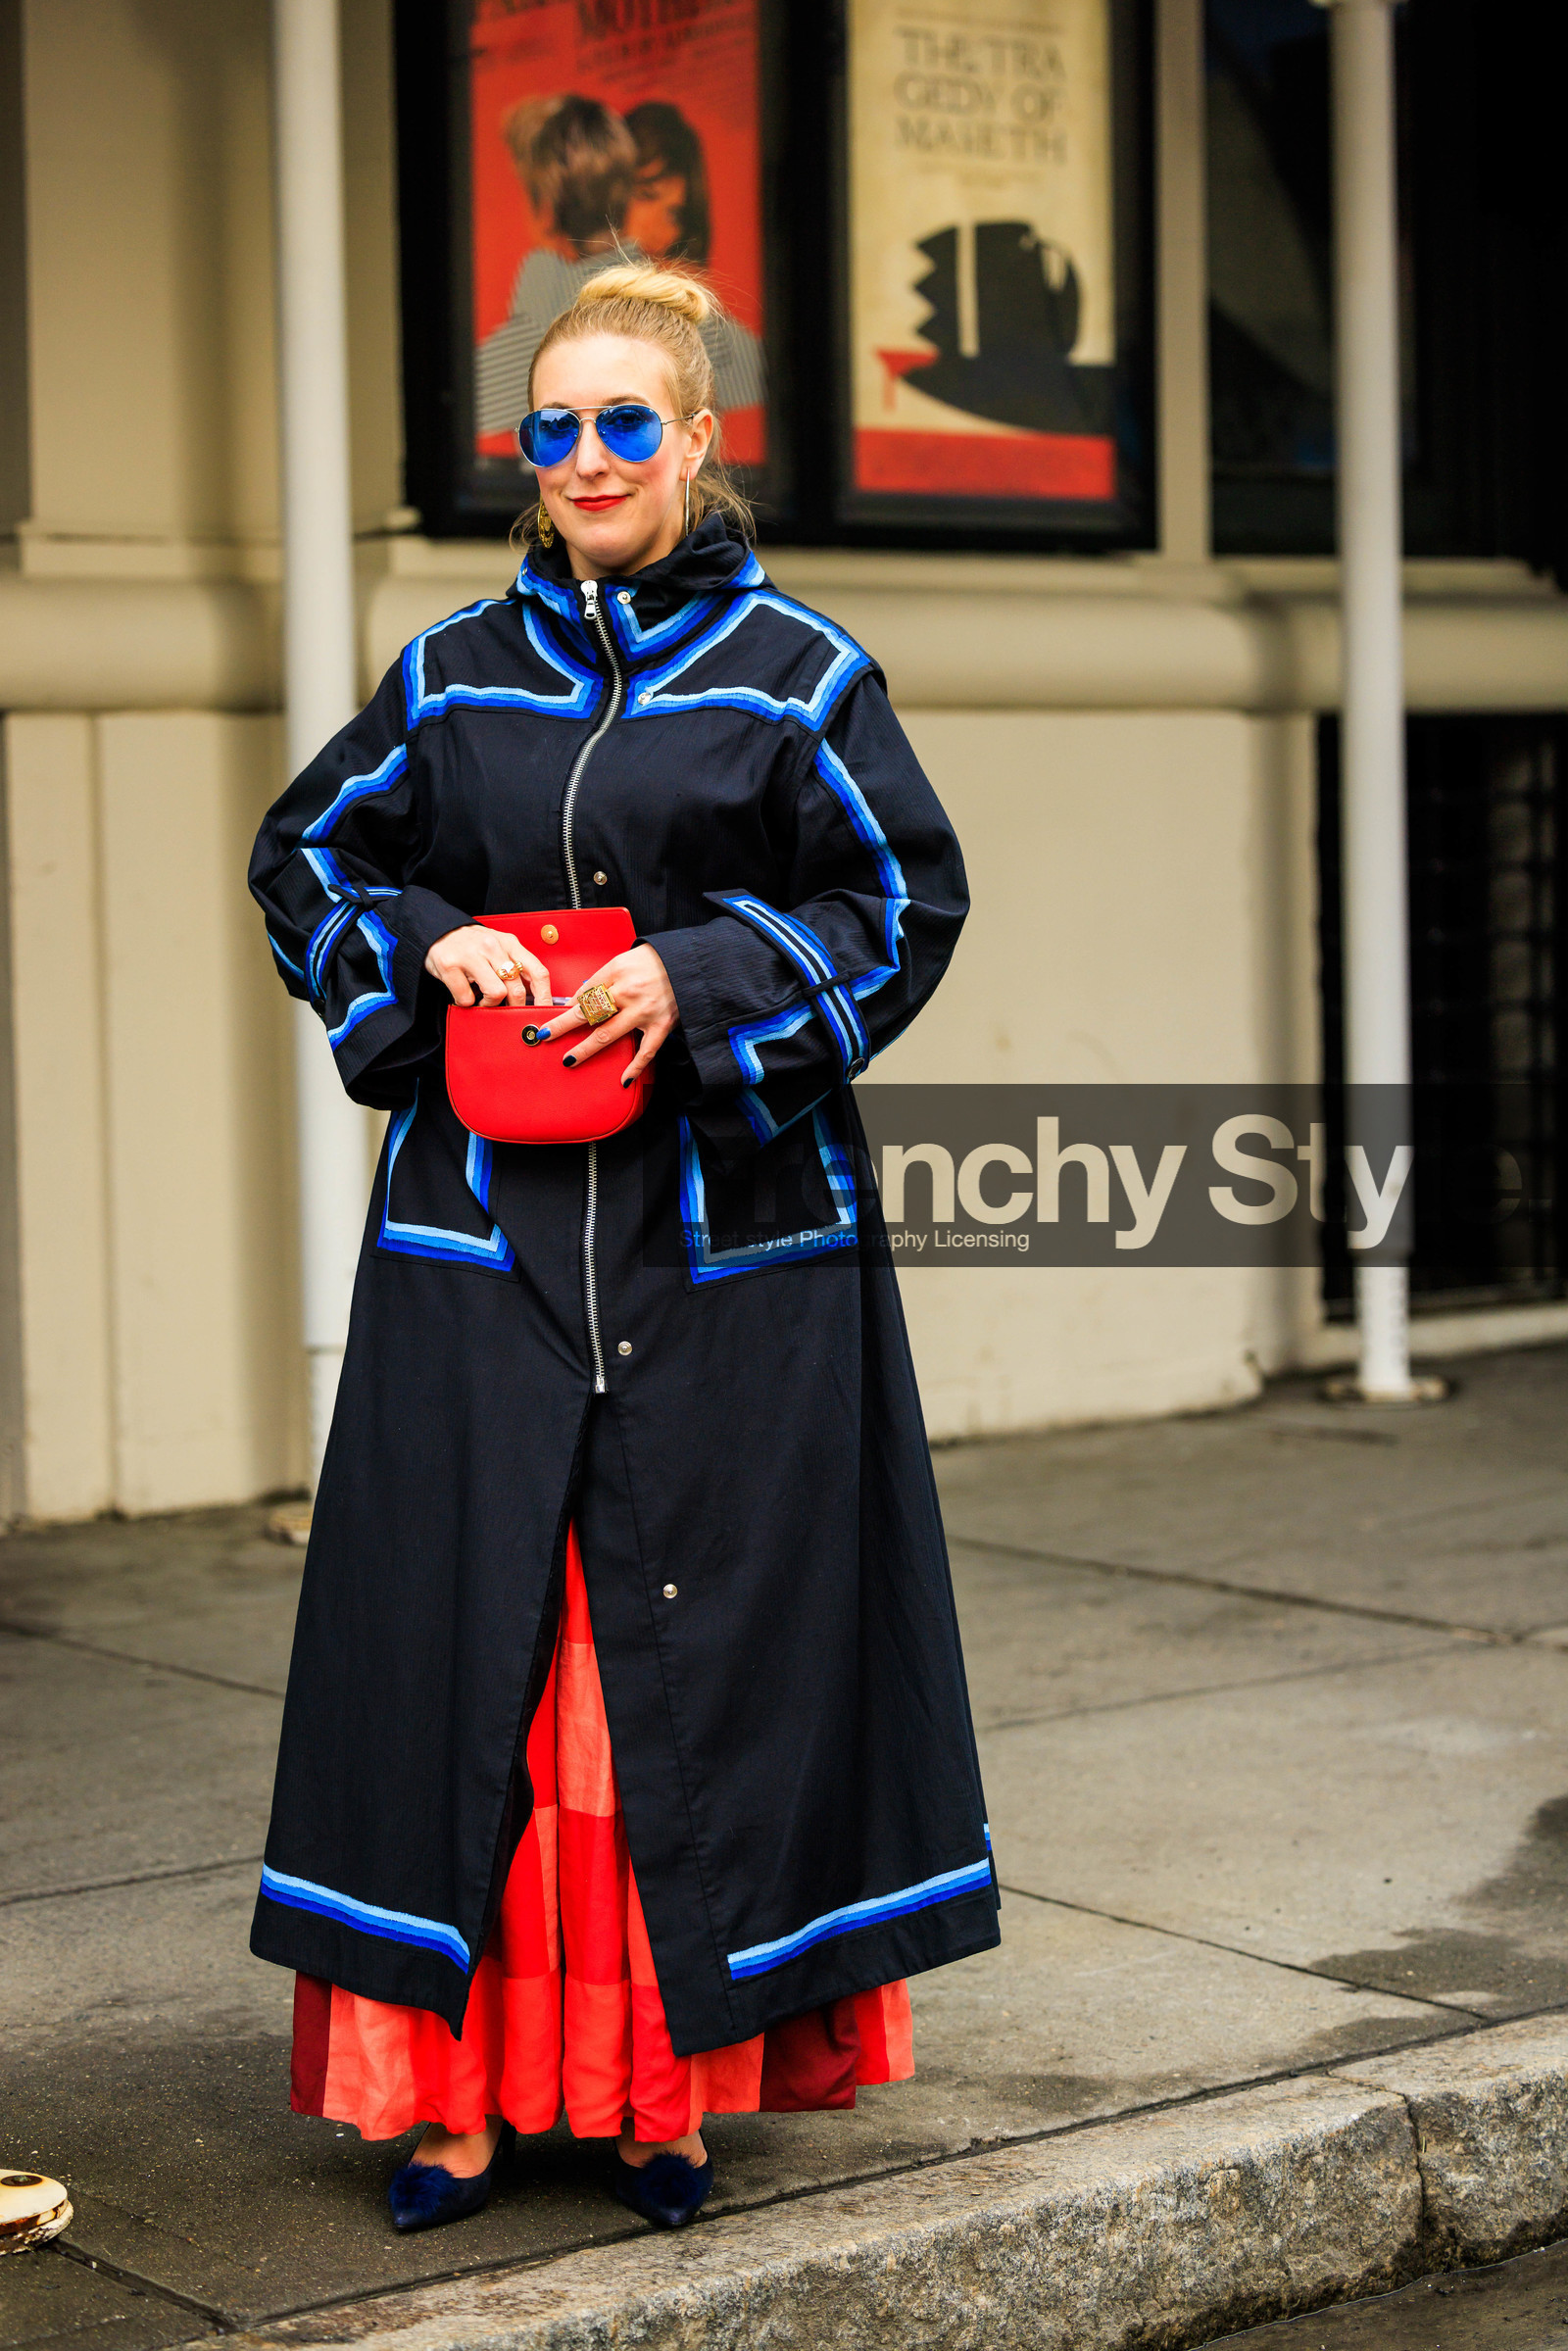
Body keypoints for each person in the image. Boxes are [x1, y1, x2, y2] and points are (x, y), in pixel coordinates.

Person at [250, 263, 996, 2236]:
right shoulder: (450, 672)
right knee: (468, 1657)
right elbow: (306, 855)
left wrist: (699, 976)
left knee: (677, 1658)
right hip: (475, 1240)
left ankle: (661, 2097)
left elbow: (898, 904)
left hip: (725, 1250)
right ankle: (460, 2107)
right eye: (550, 429)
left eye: (623, 423)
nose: (585, 459)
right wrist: (427, 943)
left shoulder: (797, 673)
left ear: (696, 436)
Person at [475, 95, 762, 439]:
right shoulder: (720, 341)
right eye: (650, 197)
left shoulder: (494, 373)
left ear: (545, 208)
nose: (669, 233)